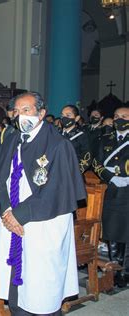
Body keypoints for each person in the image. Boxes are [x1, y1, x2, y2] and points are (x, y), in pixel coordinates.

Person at [0, 92, 86, 315]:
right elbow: (1, 178)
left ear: (41, 113)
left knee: (41, 287)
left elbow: (55, 191)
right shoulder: (12, 139)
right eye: (17, 111)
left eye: (27, 110)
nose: (21, 116)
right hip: (12, 218)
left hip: (42, 223)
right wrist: (6, 210)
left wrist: (18, 215)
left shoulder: (58, 145)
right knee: (15, 283)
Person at [92, 106, 129, 287]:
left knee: (127, 233)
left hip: (128, 192)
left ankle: (126, 273)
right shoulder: (106, 138)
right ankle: (114, 271)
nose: (119, 119)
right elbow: (96, 163)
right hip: (112, 191)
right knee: (113, 231)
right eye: (116, 116)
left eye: (124, 116)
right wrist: (111, 177)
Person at [60, 104, 91, 173]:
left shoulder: (82, 136)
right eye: (62, 115)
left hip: (72, 173)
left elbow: (86, 158)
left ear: (76, 118)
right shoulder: (56, 133)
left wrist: (74, 172)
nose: (64, 118)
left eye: (68, 115)